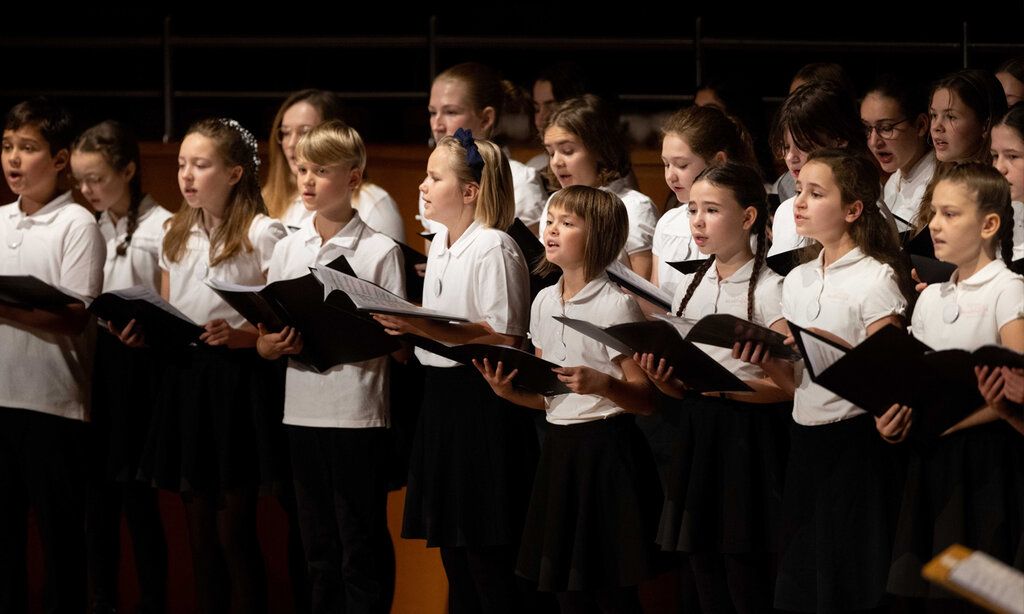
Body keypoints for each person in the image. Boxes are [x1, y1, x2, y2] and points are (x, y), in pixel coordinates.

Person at [128, 118, 288, 614]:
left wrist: (241, 338)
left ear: (235, 173)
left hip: (238, 384)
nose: (187, 176)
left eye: (201, 165)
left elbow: (280, 326)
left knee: (234, 535)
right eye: (182, 165)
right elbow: (175, 311)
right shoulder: (174, 230)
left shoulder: (264, 233)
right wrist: (143, 333)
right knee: (198, 536)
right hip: (187, 380)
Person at [374, 129, 538, 613]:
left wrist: (421, 326)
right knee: (454, 552)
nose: (422, 186)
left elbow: (506, 335)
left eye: (434, 176)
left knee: (486, 554)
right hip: (441, 399)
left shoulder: (493, 246)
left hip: (482, 400)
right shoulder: (443, 242)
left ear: (470, 191)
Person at [476, 185, 661, 614]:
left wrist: (603, 384)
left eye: (567, 222)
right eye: (550, 219)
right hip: (560, 452)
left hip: (607, 454)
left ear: (596, 236)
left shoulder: (616, 306)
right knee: (567, 589)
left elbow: (646, 399)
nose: (551, 229)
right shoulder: (543, 300)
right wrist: (510, 392)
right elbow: (552, 396)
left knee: (611, 590)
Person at [746, 149, 911, 613]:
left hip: (858, 444)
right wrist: (769, 360)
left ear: (853, 210)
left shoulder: (875, 278)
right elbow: (797, 385)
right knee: (805, 581)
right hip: (805, 442)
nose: (799, 201)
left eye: (815, 194)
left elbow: (891, 373)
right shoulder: (795, 279)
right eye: (799, 190)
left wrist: (833, 345)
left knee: (853, 580)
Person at [256, 120, 403, 614]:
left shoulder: (378, 250)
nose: (308, 180)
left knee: (358, 541)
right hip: (301, 409)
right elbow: (266, 333)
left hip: (356, 410)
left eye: (321, 170)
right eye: (302, 169)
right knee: (317, 544)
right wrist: (269, 346)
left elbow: (394, 339)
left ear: (354, 178)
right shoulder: (287, 246)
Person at [639, 163, 790, 614]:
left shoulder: (770, 288)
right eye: (692, 210)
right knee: (702, 568)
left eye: (711, 210)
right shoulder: (689, 285)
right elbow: (678, 388)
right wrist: (664, 379)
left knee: (745, 573)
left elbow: (790, 386)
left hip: (750, 439)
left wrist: (728, 389)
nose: (698, 222)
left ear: (747, 218)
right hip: (698, 433)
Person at [876, 162, 1024, 601]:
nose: (935, 226)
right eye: (933, 214)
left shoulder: (1007, 289)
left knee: (979, 597)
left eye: (950, 214)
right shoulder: (931, 298)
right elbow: (914, 381)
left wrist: (954, 421)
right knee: (930, 593)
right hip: (931, 465)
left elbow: (1014, 386)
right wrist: (892, 422)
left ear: (989, 224)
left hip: (988, 469)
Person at [0, 96, 105, 614]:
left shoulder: (77, 225)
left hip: (52, 406)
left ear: (60, 159)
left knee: (61, 539)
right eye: (7, 146)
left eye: (28, 148)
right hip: (1, 400)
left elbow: (74, 316)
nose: (14, 159)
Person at [71, 120, 171, 614]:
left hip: (143, 375)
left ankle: (153, 601)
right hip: (99, 372)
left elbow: (174, 310)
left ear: (129, 169)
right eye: (81, 181)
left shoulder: (162, 227)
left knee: (138, 501)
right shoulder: (89, 225)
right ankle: (101, 600)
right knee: (98, 501)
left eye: (97, 179)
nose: (87, 190)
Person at [538, 94, 660, 278]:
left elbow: (644, 292)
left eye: (567, 151)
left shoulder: (634, 207)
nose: (556, 162)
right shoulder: (555, 202)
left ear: (599, 149)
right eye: (551, 152)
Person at [263, 88, 405, 242]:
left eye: (304, 132)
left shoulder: (373, 203)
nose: (291, 144)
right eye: (285, 133)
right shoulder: (270, 198)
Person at [653, 105, 759, 295]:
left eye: (681, 165)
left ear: (718, 162)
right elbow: (654, 291)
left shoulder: (740, 223)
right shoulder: (667, 224)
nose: (670, 176)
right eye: (666, 164)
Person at [860, 75, 935, 229]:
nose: (874, 142)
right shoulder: (894, 181)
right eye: (868, 128)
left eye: (886, 128)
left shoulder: (939, 184)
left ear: (921, 125)